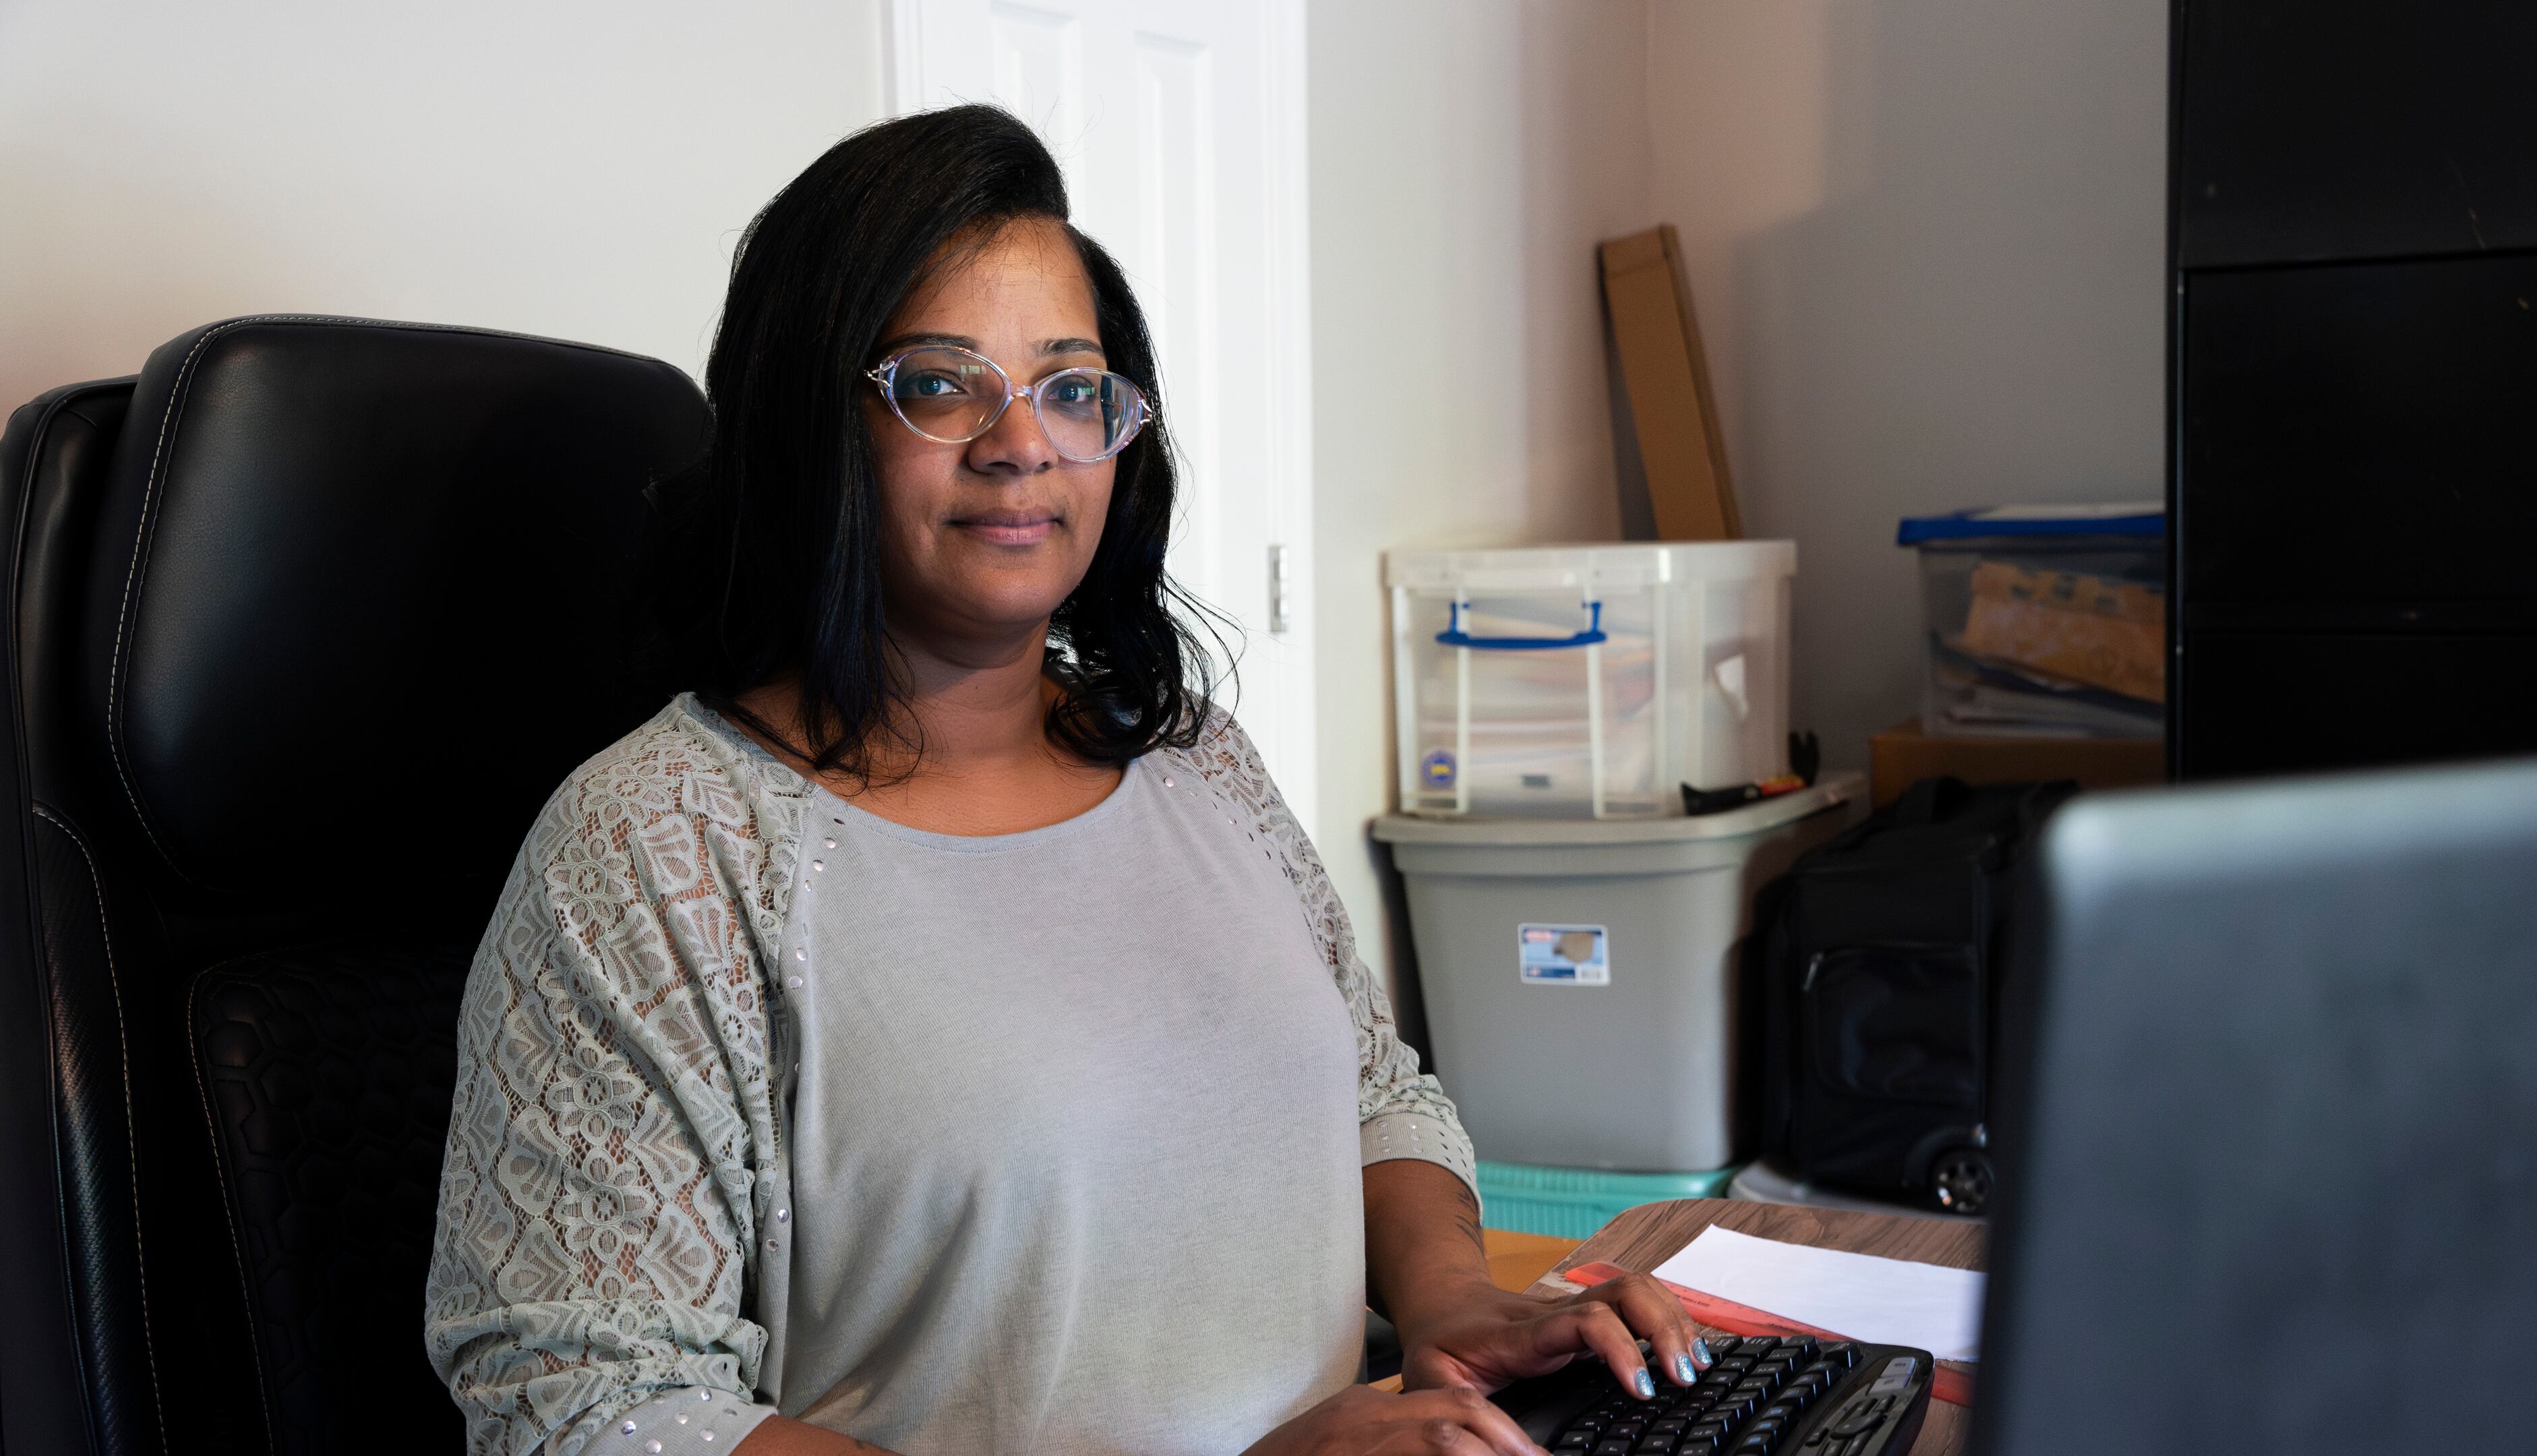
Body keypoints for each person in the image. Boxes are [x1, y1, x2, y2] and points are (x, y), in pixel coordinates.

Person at [424, 105, 1706, 1456]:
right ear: (814, 424)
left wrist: (1456, 1298)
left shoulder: (1194, 759)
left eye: (1072, 387)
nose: (1022, 442)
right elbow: (592, 1410)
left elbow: (1374, 1095)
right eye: (942, 382)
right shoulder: (654, 849)